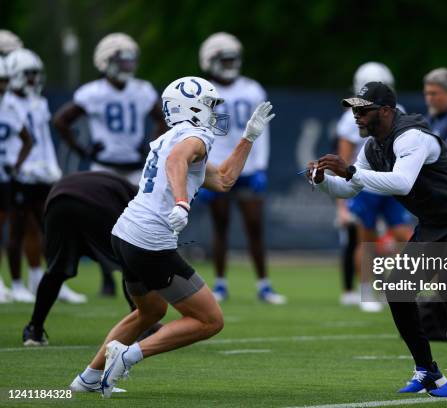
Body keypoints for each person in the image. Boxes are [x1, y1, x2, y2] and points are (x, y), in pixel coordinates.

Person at [70, 76, 275, 397]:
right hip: (149, 240)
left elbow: (223, 180)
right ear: (191, 108)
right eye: (210, 106)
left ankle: (87, 378)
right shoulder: (193, 136)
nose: (215, 113)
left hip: (125, 234)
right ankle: (128, 355)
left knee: (149, 312)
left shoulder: (173, 136)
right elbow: (177, 160)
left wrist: (248, 137)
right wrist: (181, 201)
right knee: (210, 320)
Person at [310, 82, 447, 398]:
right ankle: (428, 371)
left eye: (362, 110)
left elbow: (401, 182)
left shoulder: (411, 136)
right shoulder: (373, 145)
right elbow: (349, 188)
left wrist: (351, 170)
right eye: (354, 110)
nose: (356, 117)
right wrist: (322, 182)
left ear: (385, 111)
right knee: (398, 288)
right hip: (438, 221)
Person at [53, 32, 166, 296]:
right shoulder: (93, 93)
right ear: (105, 62)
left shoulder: (142, 90)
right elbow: (61, 120)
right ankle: (107, 277)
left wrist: (151, 144)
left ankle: (139, 276)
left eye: (130, 61)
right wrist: (83, 149)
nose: (127, 66)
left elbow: (162, 119)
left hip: (135, 166)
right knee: (106, 226)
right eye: (121, 61)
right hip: (103, 166)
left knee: (142, 223)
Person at [196, 32, 285, 304]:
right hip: (218, 167)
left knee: (255, 227)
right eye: (224, 59)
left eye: (232, 58)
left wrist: (260, 167)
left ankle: (264, 285)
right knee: (220, 227)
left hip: (247, 169)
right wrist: (204, 170)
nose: (230, 63)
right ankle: (220, 284)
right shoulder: (204, 91)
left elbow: (264, 132)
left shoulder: (252, 89)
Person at [5, 48, 85, 304]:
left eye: (35, 74)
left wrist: (51, 166)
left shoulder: (38, 102)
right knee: (16, 229)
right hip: (19, 175)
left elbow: (42, 141)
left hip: (42, 173)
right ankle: (17, 283)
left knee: (50, 230)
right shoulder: (6, 102)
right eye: (29, 74)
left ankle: (48, 280)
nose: (33, 79)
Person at [22, 172, 139, 347]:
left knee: (56, 270)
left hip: (57, 201)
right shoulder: (139, 200)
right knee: (130, 263)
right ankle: (142, 324)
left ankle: (34, 329)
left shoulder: (119, 185)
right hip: (92, 202)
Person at [336, 62, 413, 312]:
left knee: (405, 236)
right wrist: (342, 203)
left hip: (391, 182)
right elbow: (344, 160)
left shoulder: (399, 111)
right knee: (366, 241)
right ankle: (367, 290)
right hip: (366, 184)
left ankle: (408, 287)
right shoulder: (352, 117)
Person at [0, 55, 33, 303]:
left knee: (14, 228)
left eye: (4, 81)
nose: (2, 86)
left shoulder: (9, 107)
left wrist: (17, 164)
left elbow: (27, 140)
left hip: (6, 177)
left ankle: (16, 283)